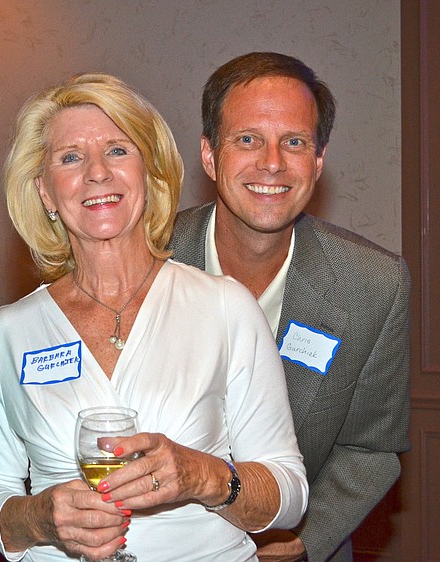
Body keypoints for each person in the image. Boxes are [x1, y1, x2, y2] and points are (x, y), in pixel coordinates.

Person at [0, 73, 308, 562]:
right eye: (70, 158)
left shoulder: (226, 308)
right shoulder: (7, 333)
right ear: (45, 192)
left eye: (117, 150)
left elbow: (289, 492)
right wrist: (39, 518)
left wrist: (202, 475)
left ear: (150, 172)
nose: (97, 172)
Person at [169, 52, 411, 562]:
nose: (273, 163)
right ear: (209, 155)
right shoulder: (146, 258)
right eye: (247, 139)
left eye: (295, 142)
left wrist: (301, 539)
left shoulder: (373, 285)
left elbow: (371, 448)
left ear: (318, 162)